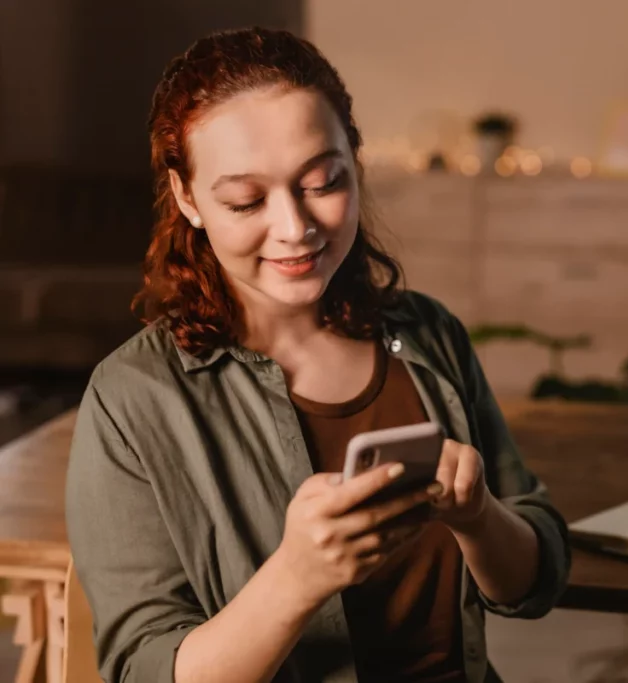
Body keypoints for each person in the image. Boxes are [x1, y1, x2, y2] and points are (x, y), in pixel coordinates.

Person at [65, 26, 570, 683]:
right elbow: (142, 669)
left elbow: (537, 577)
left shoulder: (428, 334)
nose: (295, 227)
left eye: (323, 181)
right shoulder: (133, 398)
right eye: (246, 200)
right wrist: (296, 578)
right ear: (187, 196)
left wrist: (478, 516)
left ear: (354, 164)